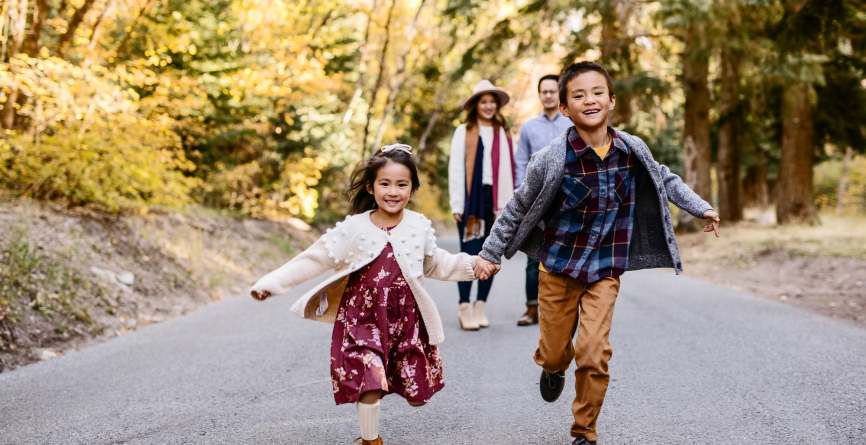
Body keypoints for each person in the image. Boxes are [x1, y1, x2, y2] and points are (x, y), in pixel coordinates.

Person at [473, 61, 721, 445]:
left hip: (605, 269)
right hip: (557, 269)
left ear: (611, 101)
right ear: (566, 109)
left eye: (597, 92)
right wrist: (490, 254)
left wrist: (700, 206)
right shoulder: (552, 158)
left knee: (593, 351)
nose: (589, 100)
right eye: (578, 95)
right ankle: (552, 367)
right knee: (557, 354)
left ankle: (584, 432)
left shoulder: (630, 149)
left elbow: (664, 177)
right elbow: (517, 207)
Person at [250, 144, 487, 445]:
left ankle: (406, 394)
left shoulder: (418, 226)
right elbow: (313, 258)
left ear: (413, 189)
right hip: (362, 319)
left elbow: (436, 262)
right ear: (370, 187)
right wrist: (270, 284)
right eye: (384, 183)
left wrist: (472, 265)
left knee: (417, 397)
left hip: (406, 323)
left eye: (402, 184)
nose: (393, 191)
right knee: (369, 382)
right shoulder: (354, 228)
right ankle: (370, 440)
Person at [448, 79, 516, 330]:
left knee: (491, 252)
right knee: (469, 252)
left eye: (492, 102)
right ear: (476, 105)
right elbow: (455, 168)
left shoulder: (504, 133)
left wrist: (513, 206)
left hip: (497, 202)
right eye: (483, 101)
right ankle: (464, 306)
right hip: (471, 201)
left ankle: (480, 305)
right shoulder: (463, 131)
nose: (488, 106)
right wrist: (457, 202)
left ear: (497, 106)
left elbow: (515, 170)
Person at [514, 74, 573, 326]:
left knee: (567, 253)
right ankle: (531, 308)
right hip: (536, 201)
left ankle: (564, 309)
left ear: (558, 93)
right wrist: (520, 193)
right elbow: (519, 163)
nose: (548, 95)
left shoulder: (571, 123)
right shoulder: (528, 127)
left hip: (568, 200)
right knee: (533, 255)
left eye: (552, 91)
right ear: (539, 95)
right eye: (544, 91)